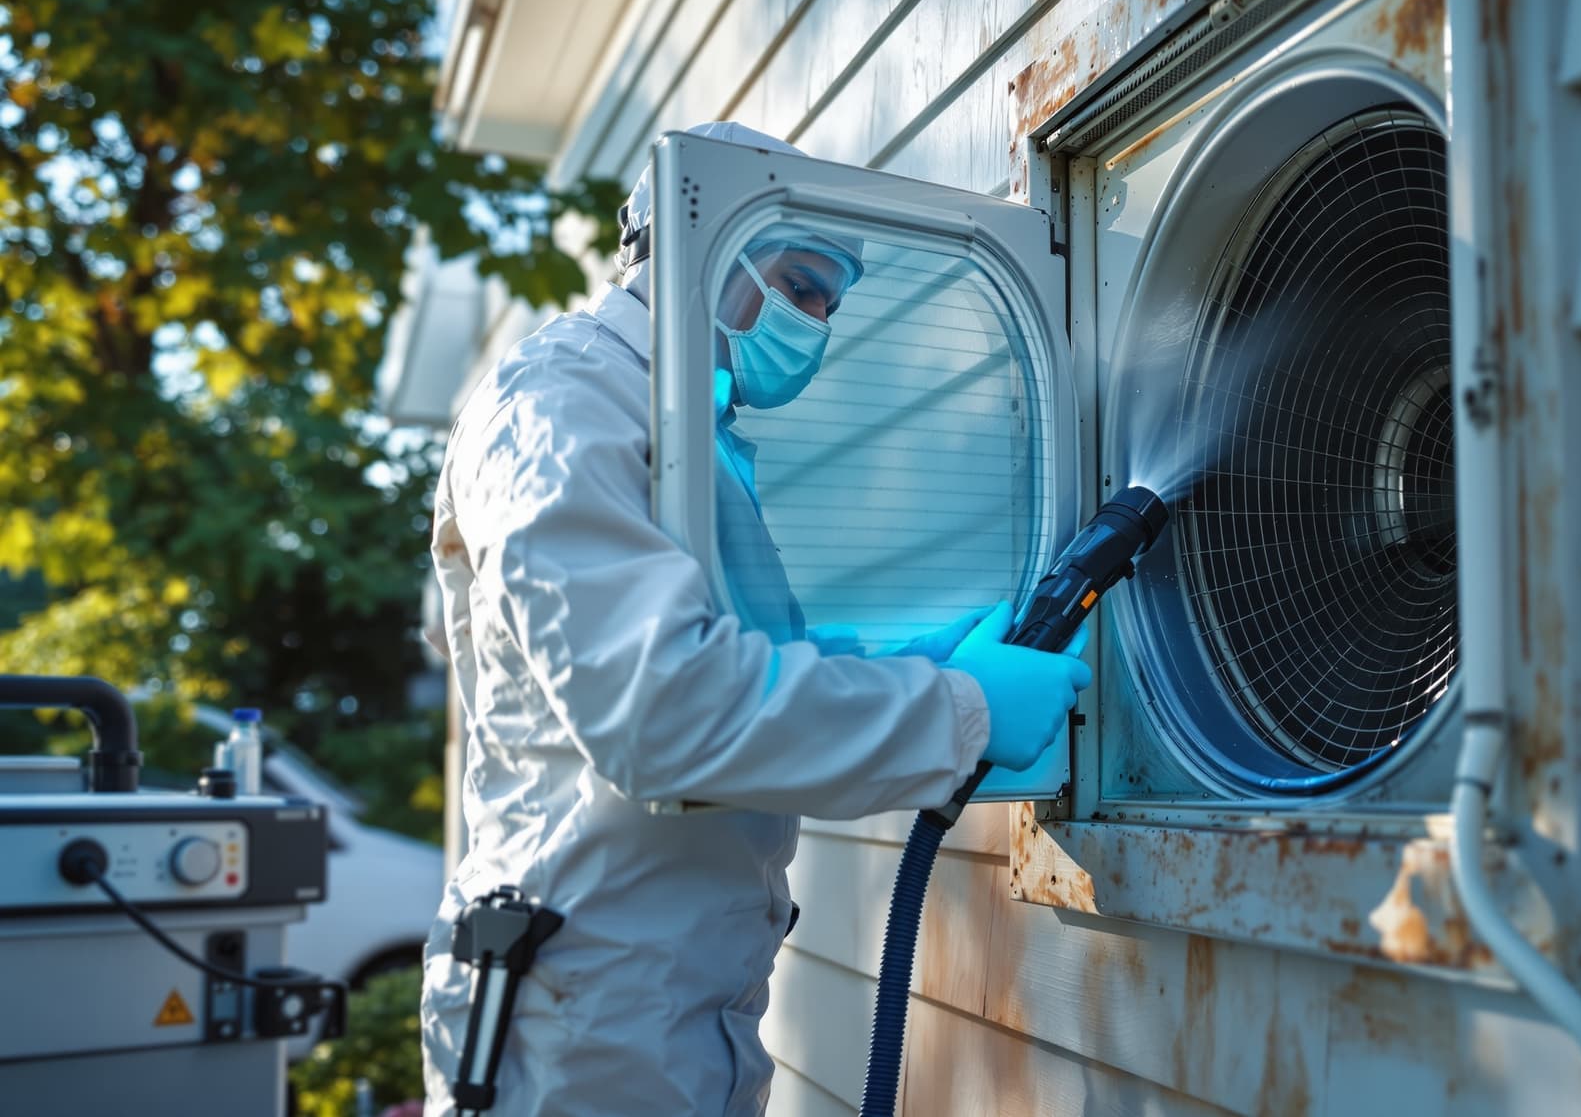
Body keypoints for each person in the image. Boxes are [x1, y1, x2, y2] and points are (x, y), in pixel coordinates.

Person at [418, 122, 1090, 1116]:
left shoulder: (694, 433)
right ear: (702, 243)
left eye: (829, 301)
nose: (815, 323)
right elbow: (662, 710)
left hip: (670, 999)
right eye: (801, 286)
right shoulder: (560, 405)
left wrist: (911, 661)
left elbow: (738, 664)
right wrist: (959, 710)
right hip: (577, 1020)